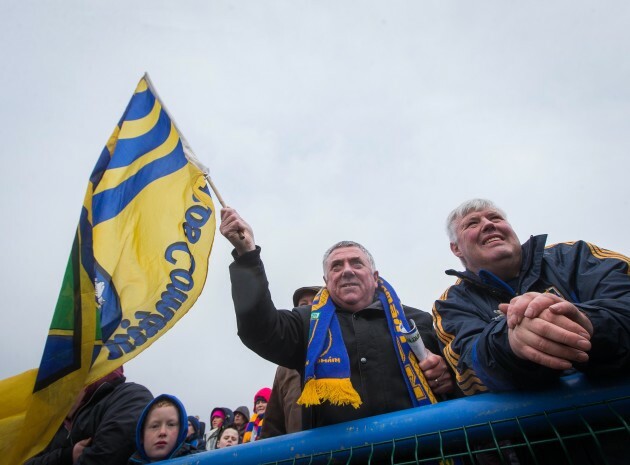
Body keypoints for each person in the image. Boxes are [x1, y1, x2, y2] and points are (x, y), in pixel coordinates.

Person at [220, 207, 454, 430]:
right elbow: (259, 330)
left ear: (374, 277)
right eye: (336, 266)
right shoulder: (306, 323)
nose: (347, 270)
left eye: (356, 263)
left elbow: (459, 374)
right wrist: (247, 256)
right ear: (326, 281)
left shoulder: (416, 321)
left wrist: (446, 374)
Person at [433, 198, 630, 396]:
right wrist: (511, 343)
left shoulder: (575, 255)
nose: (489, 224)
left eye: (496, 218)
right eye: (472, 223)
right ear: (456, 248)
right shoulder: (451, 303)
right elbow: (469, 373)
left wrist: (586, 322)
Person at [26, 367, 153, 465]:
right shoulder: (54, 426)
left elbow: (107, 456)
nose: (58, 394)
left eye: (66, 383)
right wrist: (67, 456)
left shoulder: (129, 396)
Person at [261, 286, 321, 439]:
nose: (309, 307)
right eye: (303, 304)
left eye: (315, 301)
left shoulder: (343, 349)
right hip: (298, 455)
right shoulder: (285, 366)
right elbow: (273, 425)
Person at [128, 394, 199, 463]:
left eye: (171, 425)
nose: (162, 432)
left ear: (181, 432)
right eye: (155, 426)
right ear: (141, 435)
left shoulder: (199, 460)